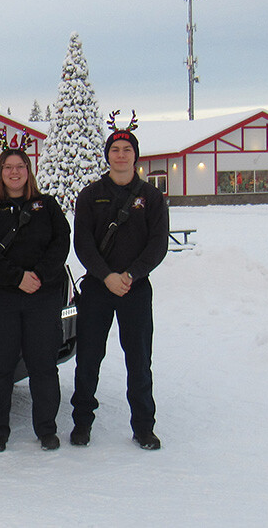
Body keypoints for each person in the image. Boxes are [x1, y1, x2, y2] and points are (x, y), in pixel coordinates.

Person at [70, 125, 169, 450]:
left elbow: (157, 243)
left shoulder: (151, 197)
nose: (121, 155)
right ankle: (82, 423)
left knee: (139, 360)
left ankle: (143, 427)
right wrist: (106, 275)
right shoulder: (91, 195)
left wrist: (132, 274)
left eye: (127, 150)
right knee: (89, 358)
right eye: (115, 150)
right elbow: (82, 243)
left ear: (135, 155)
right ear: (108, 155)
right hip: (99, 288)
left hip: (135, 288)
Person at [0, 146, 70, 452]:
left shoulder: (47, 206)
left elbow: (60, 243)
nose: (15, 172)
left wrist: (37, 275)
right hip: (1, 300)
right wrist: (17, 278)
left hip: (42, 295)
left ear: (29, 171)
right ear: (0, 173)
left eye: (20, 166)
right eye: (8, 167)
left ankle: (47, 429)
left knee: (43, 367)